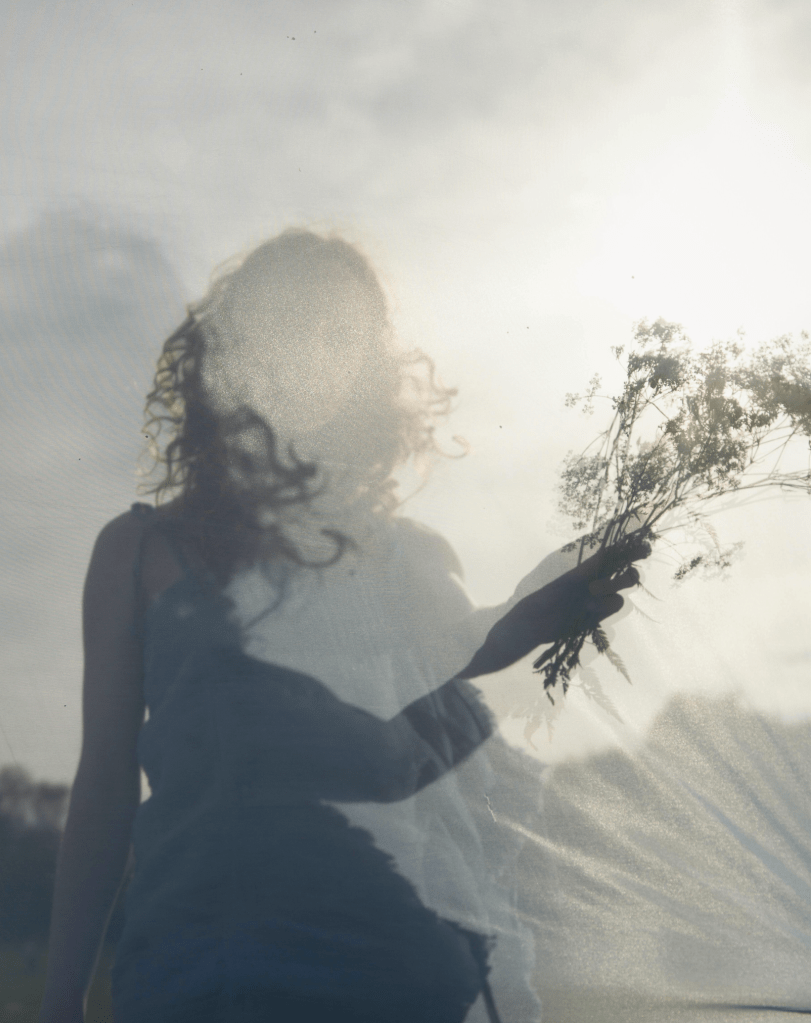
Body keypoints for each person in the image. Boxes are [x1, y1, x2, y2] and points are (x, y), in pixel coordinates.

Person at [39, 229, 641, 1023]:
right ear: (240, 340)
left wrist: (529, 611)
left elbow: (450, 672)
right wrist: (60, 999)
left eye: (341, 338)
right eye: (297, 322)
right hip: (197, 962)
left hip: (381, 963)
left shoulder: (395, 555)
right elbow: (106, 784)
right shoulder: (137, 551)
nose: (317, 354)